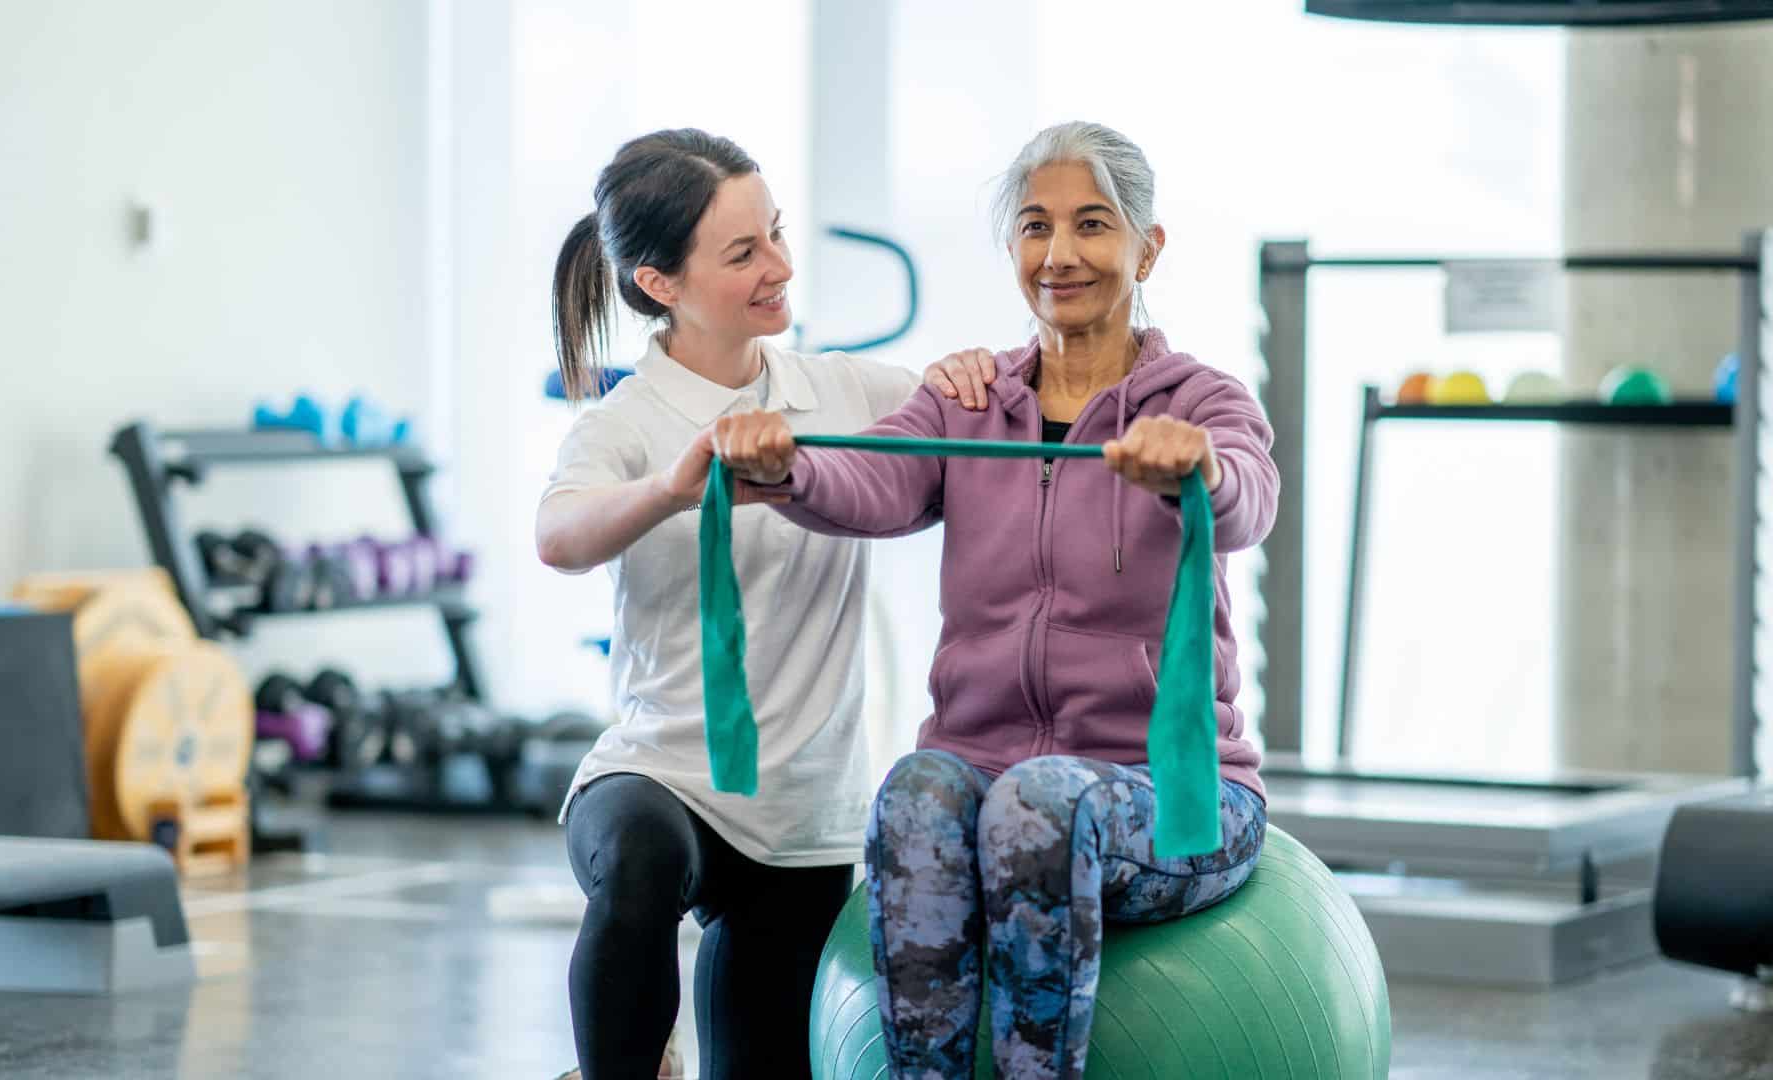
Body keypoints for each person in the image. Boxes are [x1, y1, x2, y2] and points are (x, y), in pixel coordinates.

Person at [712, 121, 1277, 1080]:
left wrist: (1200, 470)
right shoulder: (967, 401)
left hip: (1176, 799)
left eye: (1093, 225)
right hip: (986, 775)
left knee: (1037, 802)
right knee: (915, 794)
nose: (1060, 255)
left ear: (1148, 246)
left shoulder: (1202, 401)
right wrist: (785, 465)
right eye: (1035, 228)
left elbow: (1249, 500)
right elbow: (872, 482)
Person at [538, 128, 993, 1080]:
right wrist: (673, 485)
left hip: (800, 816)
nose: (781, 266)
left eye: (775, 234)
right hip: (663, 777)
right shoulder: (623, 424)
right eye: (743, 253)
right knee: (634, 863)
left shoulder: (844, 392)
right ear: (660, 283)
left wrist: (969, 376)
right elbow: (560, 536)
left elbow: (981, 422)